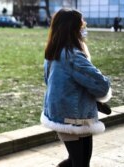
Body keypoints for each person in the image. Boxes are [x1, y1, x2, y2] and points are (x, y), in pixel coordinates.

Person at [40, 8, 112, 167]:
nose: (84, 27)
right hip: (72, 117)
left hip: (66, 113)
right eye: (81, 24)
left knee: (77, 161)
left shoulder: (53, 51)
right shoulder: (72, 55)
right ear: (72, 28)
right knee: (80, 163)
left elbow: (49, 81)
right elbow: (100, 85)